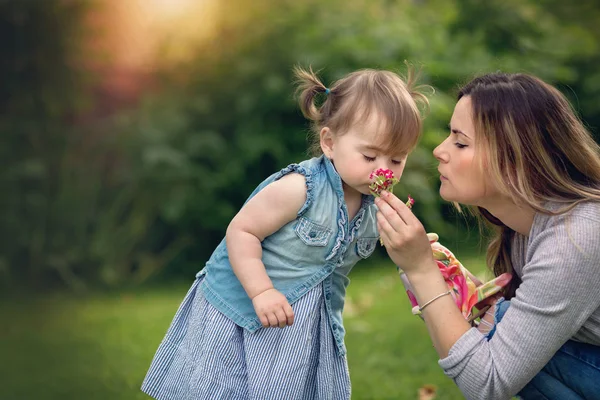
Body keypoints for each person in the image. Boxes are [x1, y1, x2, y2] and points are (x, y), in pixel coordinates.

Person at [141, 65, 429, 400]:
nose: (384, 169)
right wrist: (261, 291)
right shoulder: (298, 189)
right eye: (369, 155)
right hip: (241, 310)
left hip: (303, 324)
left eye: (397, 160)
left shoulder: (376, 205)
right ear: (330, 143)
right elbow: (242, 231)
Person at [375, 72, 600, 400]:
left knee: (502, 322)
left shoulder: (576, 238)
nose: (439, 150)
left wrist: (422, 271)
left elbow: (487, 382)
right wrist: (460, 291)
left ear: (515, 157)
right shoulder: (530, 228)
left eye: (460, 141)